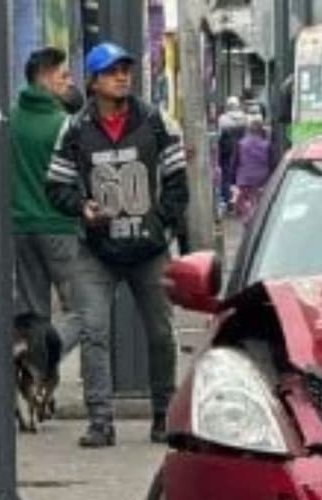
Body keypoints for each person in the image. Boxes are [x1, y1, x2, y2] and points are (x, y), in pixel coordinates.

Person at [46, 42, 189, 448]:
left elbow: (178, 182)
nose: (122, 76)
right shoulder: (74, 129)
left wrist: (161, 223)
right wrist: (82, 207)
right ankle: (100, 421)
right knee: (93, 331)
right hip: (97, 251)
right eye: (111, 71)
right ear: (93, 81)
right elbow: (55, 185)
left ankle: (163, 414)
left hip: (148, 251)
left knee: (161, 333)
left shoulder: (156, 121)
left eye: (125, 68)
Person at [11, 47, 82, 367]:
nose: (70, 82)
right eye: (63, 76)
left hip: (20, 227)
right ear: (44, 78)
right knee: (84, 308)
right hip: (60, 228)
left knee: (35, 312)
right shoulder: (64, 125)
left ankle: (34, 365)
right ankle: (52, 349)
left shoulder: (9, 121)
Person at [230, 116, 272, 223]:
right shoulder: (267, 145)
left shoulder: (241, 143)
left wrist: (233, 178)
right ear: (261, 131)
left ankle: (247, 219)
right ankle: (255, 219)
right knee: (258, 201)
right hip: (262, 179)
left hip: (244, 179)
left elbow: (235, 162)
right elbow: (272, 162)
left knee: (245, 200)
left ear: (249, 131)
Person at [216, 96, 248, 211]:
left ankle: (227, 200)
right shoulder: (244, 118)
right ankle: (239, 201)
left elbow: (219, 135)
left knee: (226, 176)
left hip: (227, 151)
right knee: (239, 175)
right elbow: (247, 133)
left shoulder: (222, 118)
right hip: (241, 150)